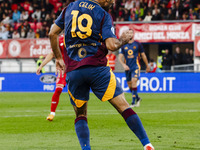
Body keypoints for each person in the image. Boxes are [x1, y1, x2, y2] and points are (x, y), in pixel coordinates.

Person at [49, 0, 155, 150]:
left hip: (74, 71)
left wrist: (59, 58)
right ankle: (147, 144)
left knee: (80, 114)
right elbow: (112, 45)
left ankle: (86, 148)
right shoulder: (103, 14)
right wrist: (123, 40)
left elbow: (52, 33)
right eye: (111, 0)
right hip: (97, 69)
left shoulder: (68, 9)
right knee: (123, 107)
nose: (112, 2)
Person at [36, 35, 66, 121]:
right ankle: (52, 113)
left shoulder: (76, 37)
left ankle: (80, 113)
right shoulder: (60, 39)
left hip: (74, 68)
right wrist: (41, 66)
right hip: (62, 68)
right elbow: (52, 53)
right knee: (58, 89)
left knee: (76, 91)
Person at [119, 35, 150, 107]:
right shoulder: (124, 45)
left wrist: (147, 65)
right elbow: (120, 57)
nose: (129, 34)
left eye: (131, 33)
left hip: (135, 66)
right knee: (130, 86)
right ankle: (137, 98)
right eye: (128, 33)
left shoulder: (138, 44)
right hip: (127, 68)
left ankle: (133, 103)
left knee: (134, 81)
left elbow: (143, 55)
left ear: (132, 35)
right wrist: (124, 65)